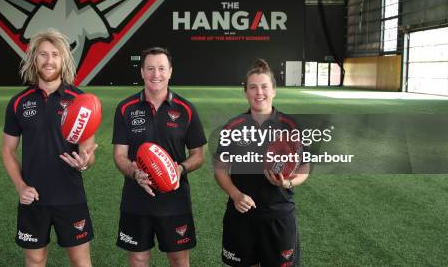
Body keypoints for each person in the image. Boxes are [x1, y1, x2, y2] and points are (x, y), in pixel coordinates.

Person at [1, 28, 97, 267]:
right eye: (43, 54)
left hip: (70, 195)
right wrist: (21, 186)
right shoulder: (19, 103)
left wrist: (85, 162)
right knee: (35, 260)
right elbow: (7, 150)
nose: (49, 60)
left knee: (80, 261)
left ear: (62, 59)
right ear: (35, 59)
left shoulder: (80, 100)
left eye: (55, 54)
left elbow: (88, 150)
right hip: (33, 198)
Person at [112, 47, 207, 267]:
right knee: (138, 257)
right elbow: (119, 155)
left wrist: (180, 169)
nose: (156, 74)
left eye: (161, 68)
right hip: (136, 199)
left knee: (178, 258)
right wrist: (135, 172)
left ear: (170, 72)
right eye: (151, 68)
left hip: (175, 201)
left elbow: (198, 155)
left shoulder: (186, 109)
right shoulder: (125, 108)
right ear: (142, 73)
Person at [214, 59, 310, 267]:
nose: (259, 92)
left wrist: (289, 183)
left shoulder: (290, 125)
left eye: (264, 86)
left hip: (278, 215)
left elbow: (304, 167)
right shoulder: (233, 126)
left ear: (274, 90)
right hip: (241, 216)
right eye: (253, 87)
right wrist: (235, 194)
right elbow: (220, 169)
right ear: (246, 92)